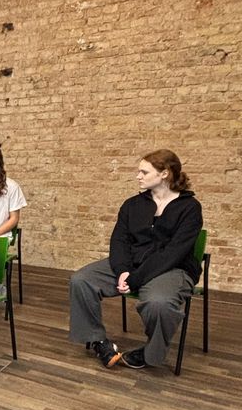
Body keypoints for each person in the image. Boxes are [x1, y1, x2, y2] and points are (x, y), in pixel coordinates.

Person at [69, 150, 202, 369]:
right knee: (81, 280)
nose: (138, 176)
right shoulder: (132, 205)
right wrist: (122, 270)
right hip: (130, 265)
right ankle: (98, 340)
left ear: (165, 174)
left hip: (172, 269)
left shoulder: (189, 208)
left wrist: (135, 278)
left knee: (159, 304)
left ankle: (151, 353)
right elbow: (119, 241)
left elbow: (174, 252)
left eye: (144, 172)